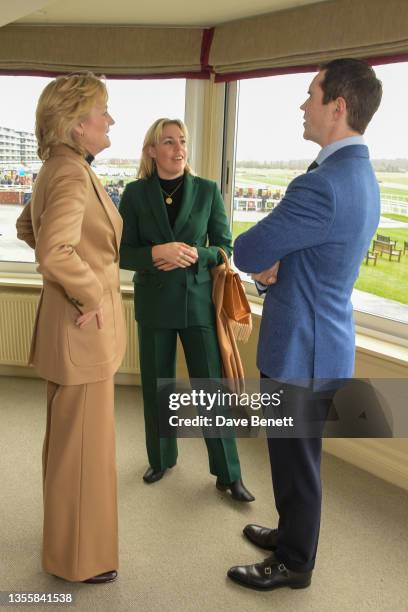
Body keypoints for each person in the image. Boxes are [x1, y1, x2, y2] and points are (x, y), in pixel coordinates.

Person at [228, 59, 382, 590]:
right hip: (323, 340)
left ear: (337, 108)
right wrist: (281, 268)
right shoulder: (360, 174)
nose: (302, 105)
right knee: (297, 456)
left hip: (301, 349)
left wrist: (268, 265)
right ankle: (292, 532)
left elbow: (247, 249)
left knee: (297, 462)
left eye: (310, 95)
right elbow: (319, 262)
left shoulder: (322, 185)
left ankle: (295, 563)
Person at [16, 73, 126, 583]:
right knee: (81, 451)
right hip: (83, 328)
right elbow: (53, 251)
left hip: (71, 329)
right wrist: (91, 293)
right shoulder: (70, 173)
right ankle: (76, 561)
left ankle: (67, 547)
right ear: (77, 124)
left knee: (71, 446)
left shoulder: (62, 167)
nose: (110, 120)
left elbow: (27, 227)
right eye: (102, 112)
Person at [119, 118, 254, 502]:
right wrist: (154, 254)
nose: (178, 149)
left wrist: (201, 254)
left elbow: (225, 248)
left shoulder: (209, 191)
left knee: (211, 390)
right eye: (168, 142)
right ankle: (161, 458)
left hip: (198, 305)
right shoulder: (134, 194)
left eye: (182, 142)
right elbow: (121, 253)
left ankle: (229, 473)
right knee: (156, 387)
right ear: (151, 151)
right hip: (155, 305)